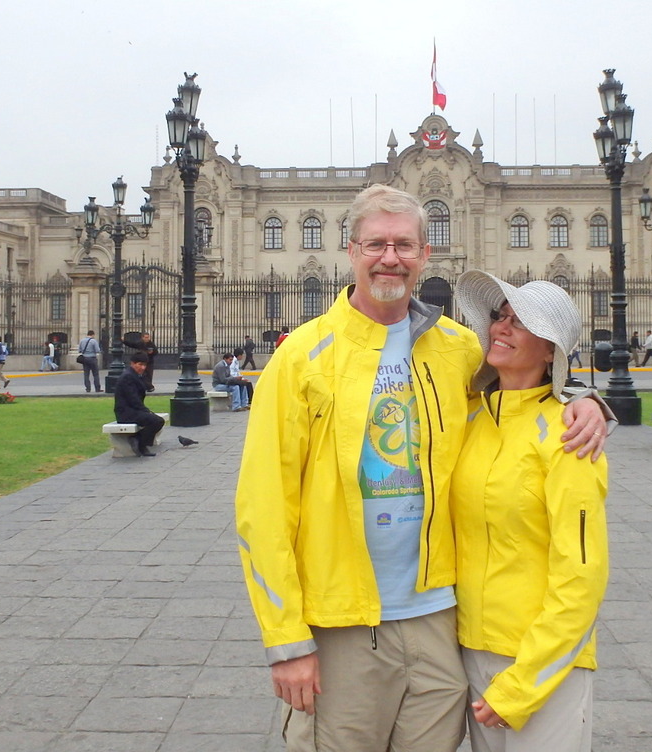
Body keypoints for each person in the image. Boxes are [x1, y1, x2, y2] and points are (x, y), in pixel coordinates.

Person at [234, 184, 610, 752]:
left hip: (439, 617)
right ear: (351, 249)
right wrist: (287, 642)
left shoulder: (457, 347)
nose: (391, 257)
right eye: (377, 243)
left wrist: (584, 398)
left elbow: (525, 385)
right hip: (343, 620)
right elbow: (263, 507)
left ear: (425, 253)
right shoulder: (301, 356)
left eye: (404, 244)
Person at [452, 271, 608, 750]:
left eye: (521, 323)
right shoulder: (472, 419)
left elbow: (581, 577)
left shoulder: (568, 437)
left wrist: (524, 683)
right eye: (501, 317)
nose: (502, 328)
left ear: (551, 351)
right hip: (472, 648)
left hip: (541, 661)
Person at [113, 353, 165, 457]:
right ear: (132, 363)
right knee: (157, 421)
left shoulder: (135, 375)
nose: (143, 367)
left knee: (157, 420)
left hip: (133, 410)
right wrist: (146, 411)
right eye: (140, 364)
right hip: (126, 413)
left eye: (144, 365)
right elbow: (133, 399)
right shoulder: (127, 377)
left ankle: (140, 442)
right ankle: (139, 441)